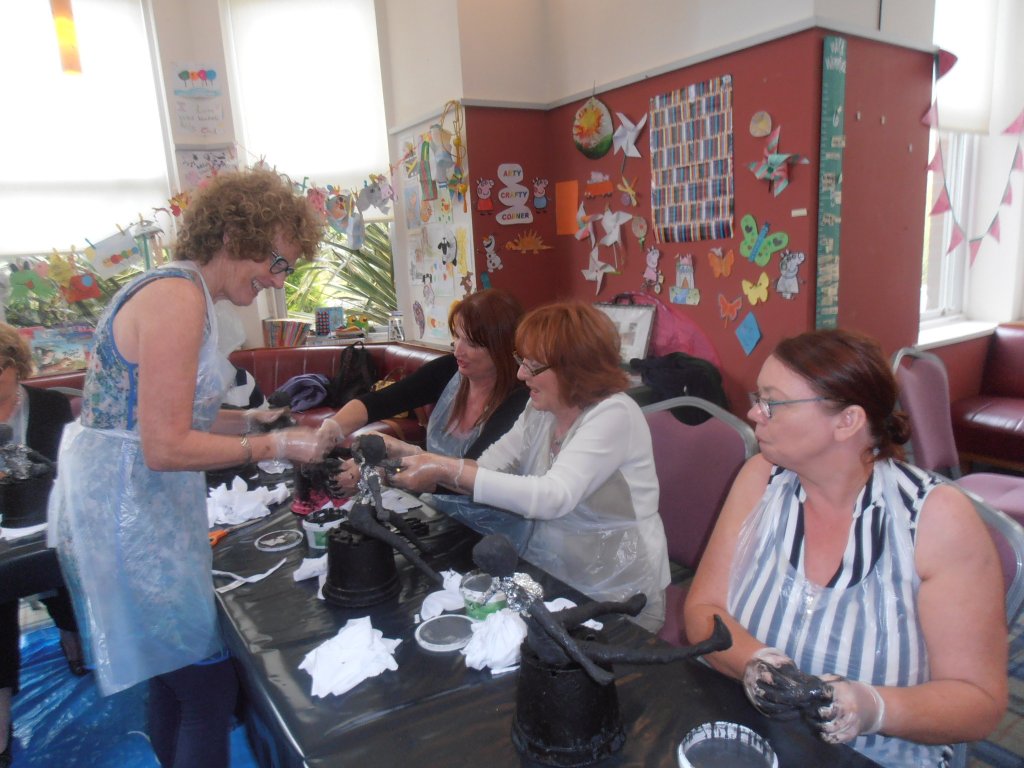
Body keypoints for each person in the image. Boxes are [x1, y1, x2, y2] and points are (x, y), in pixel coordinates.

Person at [48, 167, 336, 768]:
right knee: (206, 688)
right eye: (277, 263)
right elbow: (164, 446)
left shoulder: (182, 292)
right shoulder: (177, 299)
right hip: (127, 511)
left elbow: (165, 416)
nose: (277, 280)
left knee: (171, 678)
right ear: (234, 236)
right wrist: (275, 447)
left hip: (130, 501)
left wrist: (250, 420)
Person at [684, 329, 1008, 767]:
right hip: (764, 737)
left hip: (876, 757)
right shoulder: (760, 479)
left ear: (847, 421)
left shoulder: (935, 520)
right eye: (758, 398)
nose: (754, 413)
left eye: (772, 403)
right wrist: (753, 663)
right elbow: (703, 610)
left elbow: (978, 703)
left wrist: (872, 708)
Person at [389, 301, 670, 633]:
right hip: (552, 575)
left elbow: (553, 497)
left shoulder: (614, 415)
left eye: (533, 366)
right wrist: (412, 457)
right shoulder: (539, 410)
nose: (521, 374)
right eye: (521, 361)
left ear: (575, 368)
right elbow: (485, 469)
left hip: (619, 593)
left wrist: (443, 468)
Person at [325, 289, 528, 491]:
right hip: (434, 502)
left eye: (471, 343)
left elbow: (472, 476)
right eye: (457, 337)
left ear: (501, 347)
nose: (458, 350)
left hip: (481, 509)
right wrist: (328, 431)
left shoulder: (519, 401)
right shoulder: (449, 369)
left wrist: (384, 469)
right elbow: (379, 402)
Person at [0, 324, 83, 768]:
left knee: (64, 564)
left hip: (51, 516)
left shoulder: (50, 406)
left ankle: (73, 635)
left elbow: (70, 470)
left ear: (15, 366)